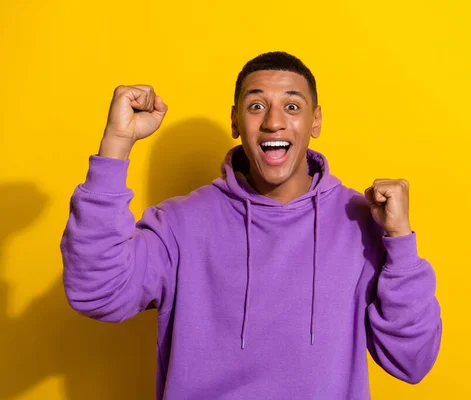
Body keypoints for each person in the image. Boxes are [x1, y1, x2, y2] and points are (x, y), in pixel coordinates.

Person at [60, 51, 442, 399]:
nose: (274, 122)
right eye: (257, 105)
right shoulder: (181, 224)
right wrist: (117, 143)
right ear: (235, 121)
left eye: (292, 106)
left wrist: (401, 243)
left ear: (316, 121)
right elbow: (97, 291)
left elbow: (412, 360)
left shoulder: (361, 223)